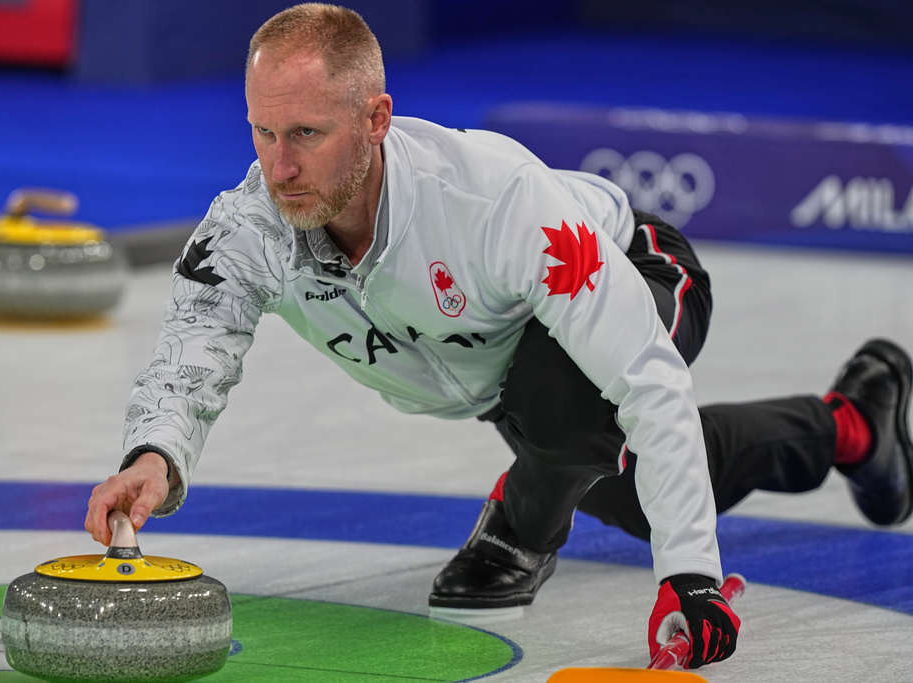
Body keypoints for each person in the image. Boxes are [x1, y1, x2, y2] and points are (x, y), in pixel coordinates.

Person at [85, 3, 913, 670]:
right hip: (505, 373)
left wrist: (690, 579)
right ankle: (852, 423)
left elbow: (645, 381)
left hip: (641, 270)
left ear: (376, 118)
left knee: (575, 412)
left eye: (306, 134)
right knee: (622, 484)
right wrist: (152, 455)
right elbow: (194, 347)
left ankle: (519, 524)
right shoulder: (248, 227)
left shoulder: (496, 205)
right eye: (262, 132)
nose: (278, 167)